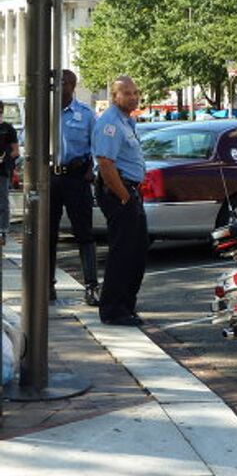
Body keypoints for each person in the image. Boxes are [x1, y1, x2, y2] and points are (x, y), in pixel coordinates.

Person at [92, 76, 147, 326]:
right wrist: (124, 197)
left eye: (136, 92)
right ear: (114, 97)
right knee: (123, 252)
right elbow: (105, 163)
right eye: (127, 93)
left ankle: (126, 305)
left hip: (130, 190)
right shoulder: (110, 123)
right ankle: (113, 310)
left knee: (136, 252)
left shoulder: (127, 120)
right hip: (118, 191)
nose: (133, 97)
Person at [49, 70, 99, 305]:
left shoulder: (86, 114)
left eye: (61, 83)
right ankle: (48, 285)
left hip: (76, 178)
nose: (57, 88)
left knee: (84, 234)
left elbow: (98, 148)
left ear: (72, 85)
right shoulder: (44, 112)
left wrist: (91, 170)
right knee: (48, 234)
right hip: (50, 178)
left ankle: (91, 287)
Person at [0, 100, 19, 247]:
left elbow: (15, 151)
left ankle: (3, 230)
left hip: (2, 171)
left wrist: (5, 157)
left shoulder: (8, 129)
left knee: (3, 200)